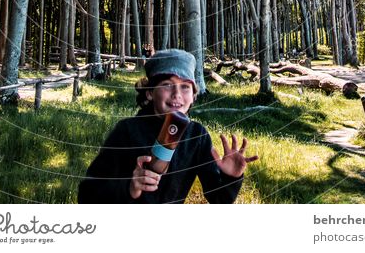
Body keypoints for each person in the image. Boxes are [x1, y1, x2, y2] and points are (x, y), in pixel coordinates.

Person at [78, 48, 258, 204]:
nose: (177, 94)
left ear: (194, 95)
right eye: (167, 85)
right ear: (149, 93)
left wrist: (231, 177)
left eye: (185, 87)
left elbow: (219, 199)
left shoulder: (197, 135)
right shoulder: (127, 131)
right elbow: (87, 195)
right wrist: (129, 187)